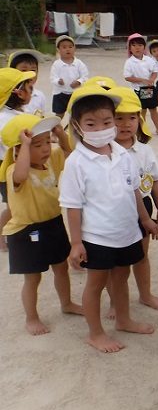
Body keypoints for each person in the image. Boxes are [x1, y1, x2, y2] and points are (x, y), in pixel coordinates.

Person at [59, 85, 158, 353]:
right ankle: (95, 334)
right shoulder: (76, 163)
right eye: (91, 123)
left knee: (121, 277)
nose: (100, 128)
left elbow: (134, 190)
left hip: (127, 232)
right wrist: (76, 242)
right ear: (77, 126)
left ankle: (124, 320)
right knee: (96, 283)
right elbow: (72, 206)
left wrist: (146, 220)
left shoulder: (123, 154)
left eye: (106, 122)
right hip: (97, 237)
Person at [1, 114, 82, 334]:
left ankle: (66, 303)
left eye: (47, 141)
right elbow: (21, 173)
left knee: (61, 268)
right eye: (38, 144)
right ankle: (31, 317)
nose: (46, 148)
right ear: (18, 150)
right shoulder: (14, 171)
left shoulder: (50, 160)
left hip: (53, 223)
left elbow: (68, 153)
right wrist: (26, 145)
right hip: (26, 231)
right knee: (33, 277)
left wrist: (60, 135)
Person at [110, 87, 158, 313]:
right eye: (118, 118)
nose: (125, 124)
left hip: (144, 206)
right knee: (116, 262)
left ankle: (145, 295)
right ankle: (115, 301)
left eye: (131, 118)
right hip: (116, 211)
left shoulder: (145, 150)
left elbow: (155, 181)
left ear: (140, 119)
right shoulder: (105, 152)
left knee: (141, 256)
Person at [0, 67, 36, 252]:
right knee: (14, 206)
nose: (33, 91)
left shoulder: (15, 114)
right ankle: (0, 236)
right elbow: (12, 147)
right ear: (20, 93)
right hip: (10, 168)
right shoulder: (7, 119)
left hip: (16, 165)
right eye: (30, 88)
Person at [123, 33, 158, 136]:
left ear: (144, 48)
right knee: (142, 111)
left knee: (153, 109)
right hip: (137, 90)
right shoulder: (129, 62)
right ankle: (142, 130)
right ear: (129, 48)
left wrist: (151, 79)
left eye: (140, 45)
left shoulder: (149, 60)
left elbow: (154, 72)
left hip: (148, 89)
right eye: (134, 45)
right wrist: (141, 80)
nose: (137, 48)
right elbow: (127, 77)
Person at [49, 35, 89, 119]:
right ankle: (55, 131)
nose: (68, 49)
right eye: (64, 47)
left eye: (70, 47)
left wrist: (79, 82)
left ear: (74, 49)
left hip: (75, 93)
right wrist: (58, 81)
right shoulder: (57, 64)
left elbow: (85, 76)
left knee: (76, 114)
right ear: (58, 50)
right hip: (60, 93)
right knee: (59, 114)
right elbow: (52, 77)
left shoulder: (79, 63)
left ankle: (73, 129)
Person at [9, 50, 47, 118]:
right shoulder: (9, 96)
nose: (30, 74)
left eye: (33, 70)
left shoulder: (40, 96)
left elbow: (41, 116)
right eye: (24, 70)